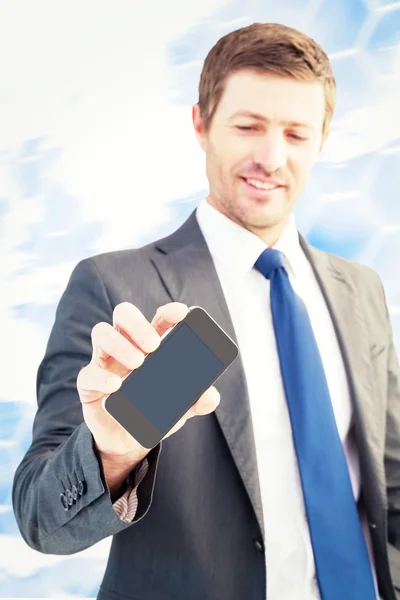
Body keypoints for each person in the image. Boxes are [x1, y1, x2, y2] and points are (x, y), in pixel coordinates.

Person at [12, 22, 400, 600]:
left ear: (322, 139)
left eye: (297, 133)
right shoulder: (117, 287)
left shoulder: (360, 289)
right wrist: (114, 451)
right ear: (202, 124)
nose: (271, 158)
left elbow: (387, 479)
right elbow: (41, 519)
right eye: (248, 127)